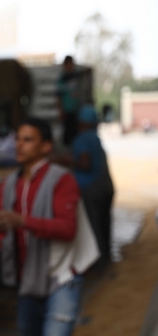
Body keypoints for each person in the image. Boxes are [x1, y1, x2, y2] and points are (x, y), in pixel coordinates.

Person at [0, 118, 82, 336]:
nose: (19, 145)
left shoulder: (62, 179)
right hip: (28, 279)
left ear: (46, 146)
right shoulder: (11, 183)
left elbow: (67, 228)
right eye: (18, 139)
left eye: (27, 139)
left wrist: (21, 220)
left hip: (62, 277)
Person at [71, 105, 114, 269]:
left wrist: (65, 160)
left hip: (91, 189)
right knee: (104, 225)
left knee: (93, 227)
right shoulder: (95, 138)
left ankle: (97, 263)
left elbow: (84, 163)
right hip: (106, 186)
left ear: (81, 122)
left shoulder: (82, 139)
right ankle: (106, 258)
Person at [0, 53, 33, 136]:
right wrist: (25, 97)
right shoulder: (12, 63)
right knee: (16, 127)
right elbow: (28, 80)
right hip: (15, 102)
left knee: (0, 131)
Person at [56, 56, 84, 147]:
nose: (70, 66)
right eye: (68, 64)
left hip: (77, 111)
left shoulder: (77, 77)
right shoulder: (62, 79)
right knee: (68, 134)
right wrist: (61, 110)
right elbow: (59, 96)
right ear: (65, 65)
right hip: (67, 111)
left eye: (71, 64)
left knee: (77, 134)